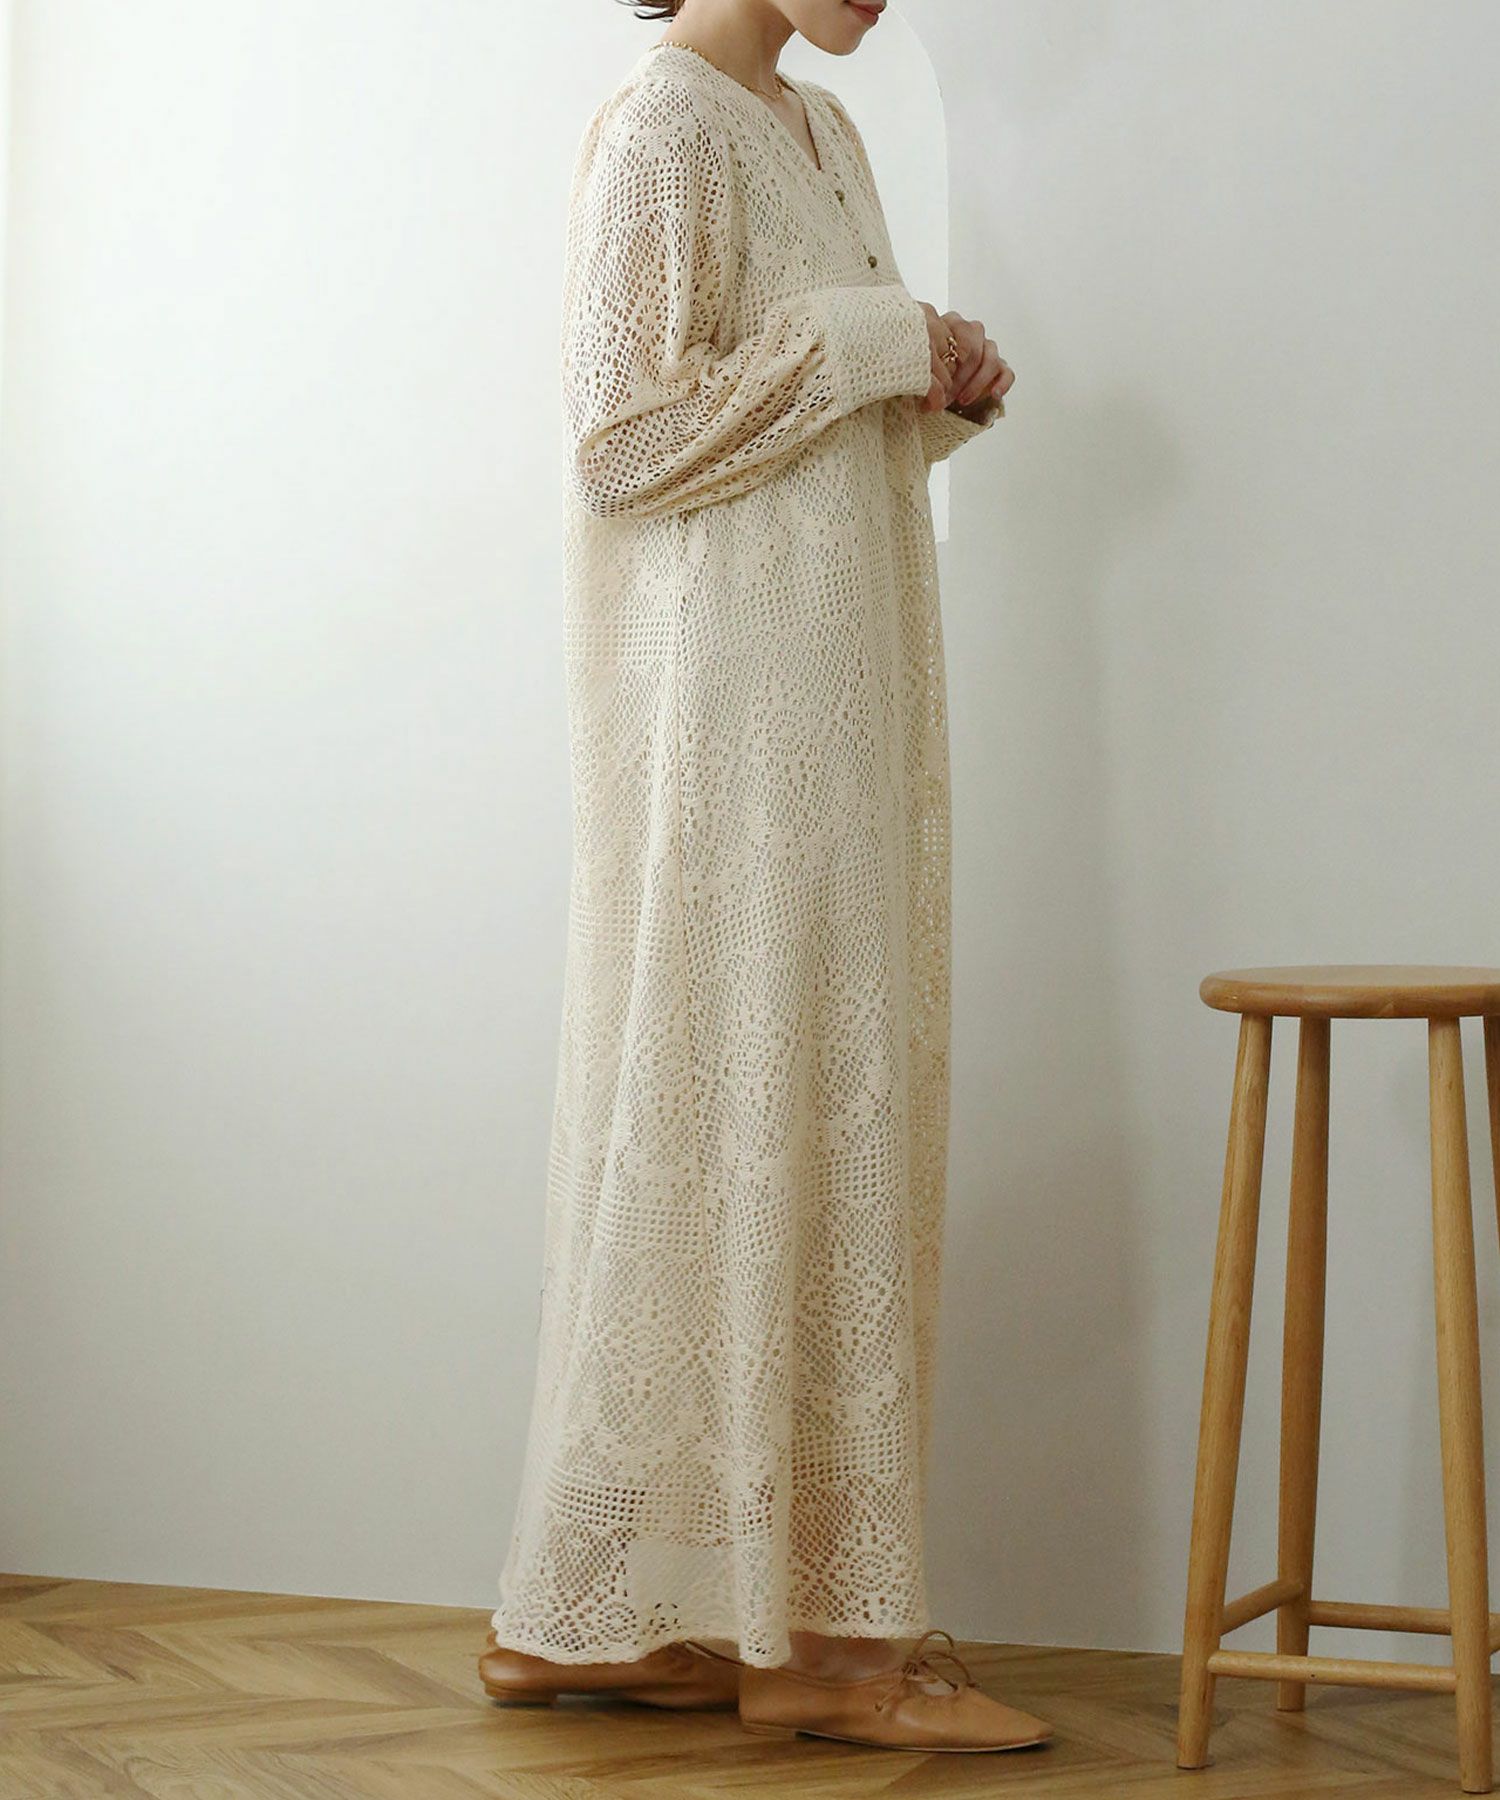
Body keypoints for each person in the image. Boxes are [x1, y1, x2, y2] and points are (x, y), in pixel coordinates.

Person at [479, 0, 1049, 1755]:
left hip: (834, 683)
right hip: (736, 711)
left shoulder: (820, 129)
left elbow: (775, 419)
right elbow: (619, 445)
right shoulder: (662, 128)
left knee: (796, 1105)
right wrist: (873, 339)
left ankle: (618, 1610)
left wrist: (926, 388)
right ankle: (818, 1649)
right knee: (753, 1101)